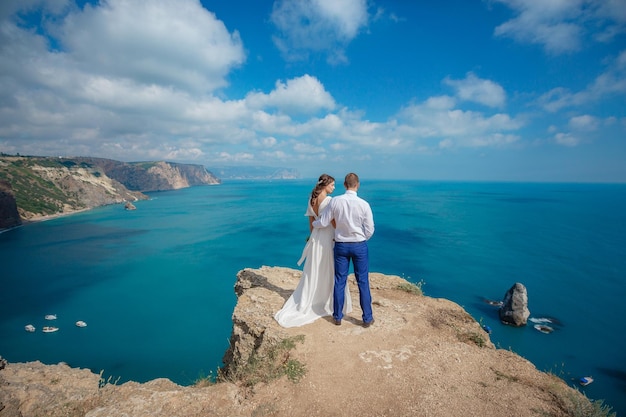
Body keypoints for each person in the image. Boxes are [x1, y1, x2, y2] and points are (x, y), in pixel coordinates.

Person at [274, 174, 352, 328]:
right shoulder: (330, 201)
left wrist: (313, 238)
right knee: (330, 269)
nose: (334, 187)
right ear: (326, 184)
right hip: (328, 236)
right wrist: (341, 236)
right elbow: (334, 222)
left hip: (316, 236)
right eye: (332, 185)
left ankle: (314, 297)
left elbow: (311, 223)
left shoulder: (311, 199)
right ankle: (328, 302)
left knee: (314, 268)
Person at [313, 172, 375, 327]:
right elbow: (370, 229)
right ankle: (367, 318)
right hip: (359, 245)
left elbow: (324, 221)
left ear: (345, 185)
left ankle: (337, 316)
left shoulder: (336, 201)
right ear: (357, 185)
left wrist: (314, 224)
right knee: (362, 282)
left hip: (341, 245)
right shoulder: (364, 204)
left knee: (339, 281)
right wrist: (361, 239)